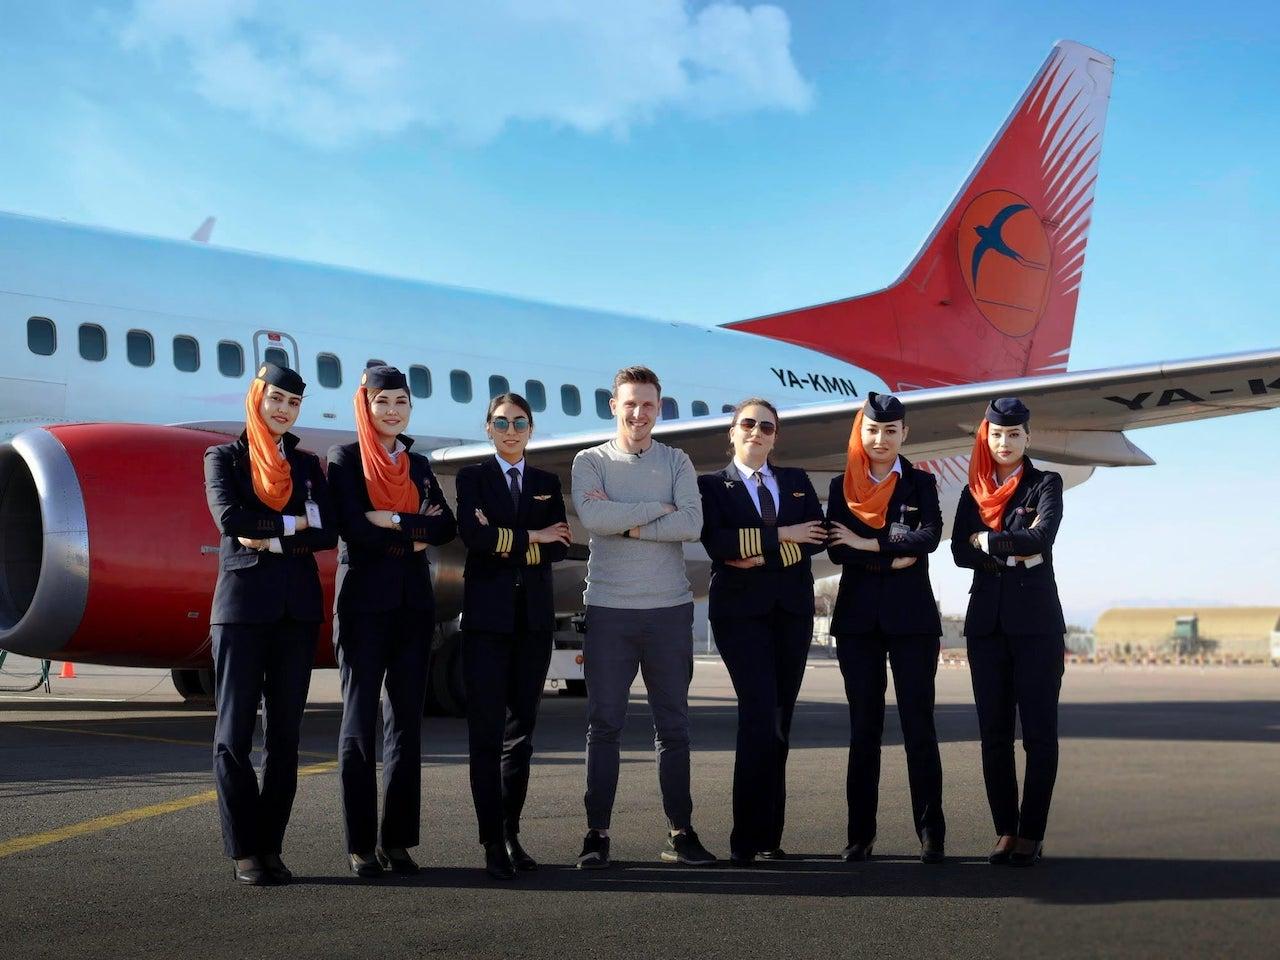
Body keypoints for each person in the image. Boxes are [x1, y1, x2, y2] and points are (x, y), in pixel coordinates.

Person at [570, 365, 714, 868]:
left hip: (668, 612)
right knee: (603, 725)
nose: (639, 413)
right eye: (630, 403)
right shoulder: (589, 461)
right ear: (614, 405)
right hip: (609, 610)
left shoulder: (677, 460)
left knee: (673, 728)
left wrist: (628, 520)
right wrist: (658, 509)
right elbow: (593, 519)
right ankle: (596, 834)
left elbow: (693, 523)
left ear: (659, 407)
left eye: (648, 404)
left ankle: (681, 831)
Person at [203, 362, 337, 885]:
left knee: (285, 738)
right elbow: (232, 522)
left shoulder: (306, 465)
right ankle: (244, 851)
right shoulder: (223, 458)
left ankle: (272, 846)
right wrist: (293, 523)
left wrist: (273, 535)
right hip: (240, 611)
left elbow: (326, 534)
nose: (282, 408)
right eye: (275, 398)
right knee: (233, 736)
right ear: (257, 398)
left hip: (295, 613)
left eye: (292, 402)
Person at [326, 364, 457, 878]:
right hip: (362, 606)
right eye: (383, 402)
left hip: (412, 606)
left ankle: (397, 841)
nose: (393, 410)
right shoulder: (346, 459)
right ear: (366, 404)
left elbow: (443, 524)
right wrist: (410, 535)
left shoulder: (419, 465)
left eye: (401, 401)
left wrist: (396, 520)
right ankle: (361, 845)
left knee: (405, 724)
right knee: (359, 725)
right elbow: (352, 527)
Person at [697, 398, 827, 865]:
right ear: (731, 432)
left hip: (790, 612)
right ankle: (744, 839)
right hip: (739, 614)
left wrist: (761, 552)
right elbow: (718, 543)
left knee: (779, 719)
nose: (757, 432)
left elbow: (815, 537)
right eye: (748, 424)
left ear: (776, 436)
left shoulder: (795, 481)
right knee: (757, 714)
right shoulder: (712, 485)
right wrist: (784, 536)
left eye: (766, 427)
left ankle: (770, 834)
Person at [825, 391, 946, 864]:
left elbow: (929, 537)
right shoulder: (842, 486)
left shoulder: (922, 483)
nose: (880, 439)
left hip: (913, 620)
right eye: (872, 430)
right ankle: (860, 836)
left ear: (904, 434)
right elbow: (837, 548)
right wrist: (893, 551)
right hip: (857, 622)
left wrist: (868, 543)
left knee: (920, 727)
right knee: (864, 730)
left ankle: (931, 834)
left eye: (890, 432)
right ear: (861, 431)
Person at [455, 393, 572, 881]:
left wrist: (512, 541)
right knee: (485, 735)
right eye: (501, 422)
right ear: (488, 428)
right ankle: (489, 839)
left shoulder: (546, 482)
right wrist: (534, 538)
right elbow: (474, 540)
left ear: (531, 429)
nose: (510, 429)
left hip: (533, 625)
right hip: (486, 623)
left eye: (519, 422)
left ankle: (511, 832)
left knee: (520, 737)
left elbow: (562, 546)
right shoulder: (472, 478)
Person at [952, 397, 1065, 868]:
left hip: (1037, 627)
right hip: (987, 627)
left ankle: (1031, 833)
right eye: (997, 435)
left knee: (1038, 736)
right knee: (993, 735)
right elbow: (959, 550)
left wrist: (990, 541)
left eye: (1014, 435)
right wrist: (1010, 549)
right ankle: (1004, 830)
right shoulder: (972, 492)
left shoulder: (1045, 483)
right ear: (987, 436)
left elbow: (1043, 538)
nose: (1004, 443)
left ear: (1027, 438)